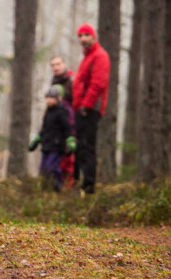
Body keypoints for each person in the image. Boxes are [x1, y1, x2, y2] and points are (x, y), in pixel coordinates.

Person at [72, 23, 110, 195]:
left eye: (86, 35)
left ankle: (89, 187)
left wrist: (86, 106)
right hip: (81, 109)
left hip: (90, 110)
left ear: (93, 36)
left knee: (87, 148)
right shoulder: (87, 57)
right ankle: (81, 184)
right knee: (81, 148)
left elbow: (98, 84)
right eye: (80, 35)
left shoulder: (100, 56)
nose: (83, 38)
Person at [29, 85, 76, 191]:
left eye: (52, 98)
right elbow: (44, 129)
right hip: (46, 145)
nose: (49, 100)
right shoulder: (47, 112)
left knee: (52, 167)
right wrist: (37, 140)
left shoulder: (62, 111)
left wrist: (71, 140)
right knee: (43, 170)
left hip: (57, 146)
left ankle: (59, 186)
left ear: (59, 98)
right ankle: (45, 190)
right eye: (48, 98)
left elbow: (67, 127)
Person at [50, 56, 76, 187]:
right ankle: (58, 186)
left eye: (58, 64)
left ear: (64, 64)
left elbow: (75, 101)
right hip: (56, 126)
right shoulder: (54, 81)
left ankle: (69, 186)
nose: (55, 67)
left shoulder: (71, 80)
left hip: (70, 123)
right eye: (53, 65)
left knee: (68, 156)